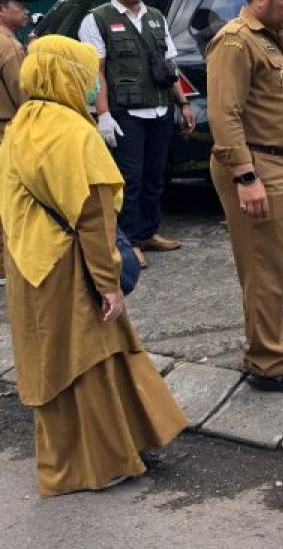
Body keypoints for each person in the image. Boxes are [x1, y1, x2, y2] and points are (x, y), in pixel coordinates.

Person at [0, 36, 187, 496]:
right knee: (91, 362)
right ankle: (100, 463)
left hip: (29, 264)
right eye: (90, 76)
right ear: (69, 76)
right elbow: (94, 220)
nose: (94, 85)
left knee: (52, 362)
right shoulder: (74, 132)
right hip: (70, 266)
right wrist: (110, 285)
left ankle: (75, 457)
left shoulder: (22, 124)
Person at [207, 0, 283, 393]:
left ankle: (272, 341)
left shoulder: (274, 39)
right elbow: (225, 114)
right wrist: (244, 176)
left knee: (274, 264)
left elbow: (279, 108)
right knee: (263, 269)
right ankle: (269, 363)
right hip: (255, 165)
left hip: (280, 161)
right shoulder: (236, 43)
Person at [79, 0, 195, 268]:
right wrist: (102, 114)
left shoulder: (156, 16)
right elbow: (96, 72)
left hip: (159, 108)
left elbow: (169, 66)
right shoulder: (97, 20)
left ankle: (148, 232)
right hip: (124, 113)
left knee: (156, 176)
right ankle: (128, 242)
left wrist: (183, 103)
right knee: (129, 178)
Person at [0, 0, 34, 281]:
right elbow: (24, 97)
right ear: (2, 8)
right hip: (7, 130)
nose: (25, 10)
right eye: (19, 4)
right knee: (10, 198)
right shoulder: (9, 46)